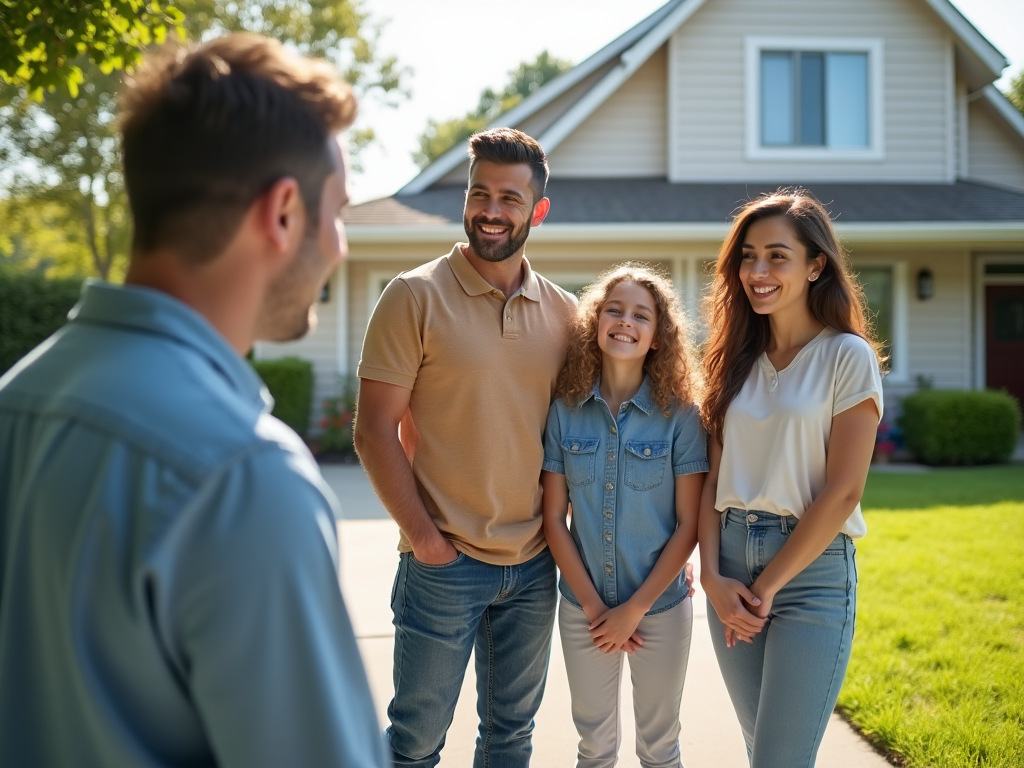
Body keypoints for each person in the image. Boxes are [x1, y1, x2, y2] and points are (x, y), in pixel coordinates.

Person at [0, 34, 385, 768]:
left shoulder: (15, 402)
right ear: (281, 214)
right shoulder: (244, 475)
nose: (339, 243)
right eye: (336, 210)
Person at [353, 127, 578, 768]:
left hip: (535, 563)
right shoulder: (413, 296)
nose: (491, 210)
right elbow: (374, 431)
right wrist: (427, 542)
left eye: (509, 198)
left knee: (510, 737)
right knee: (415, 743)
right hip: (443, 564)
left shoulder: (564, 314)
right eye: (480, 193)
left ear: (537, 211)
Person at [698, 190, 884, 768]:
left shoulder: (847, 357)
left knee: (779, 758)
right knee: (765, 752)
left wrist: (768, 585)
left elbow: (844, 491)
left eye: (777, 256)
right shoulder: (733, 360)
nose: (758, 272)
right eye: (748, 257)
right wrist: (712, 578)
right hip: (729, 566)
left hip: (811, 574)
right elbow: (710, 480)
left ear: (816, 265)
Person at [541, 264, 707, 768]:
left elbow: (689, 525)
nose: (625, 321)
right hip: (582, 609)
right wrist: (595, 609)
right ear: (595, 321)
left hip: (658, 608)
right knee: (594, 748)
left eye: (641, 315)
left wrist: (633, 610)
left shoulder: (680, 415)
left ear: (658, 338)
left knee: (659, 747)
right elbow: (553, 520)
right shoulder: (564, 410)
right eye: (614, 309)